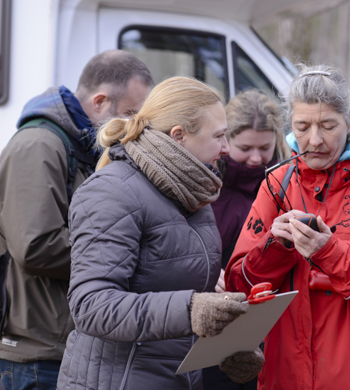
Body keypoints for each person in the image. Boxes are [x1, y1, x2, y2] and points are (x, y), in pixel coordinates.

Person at [56, 76, 265, 390]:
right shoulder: (112, 191)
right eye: (219, 136)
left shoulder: (193, 190)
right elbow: (92, 305)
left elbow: (180, 295)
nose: (225, 148)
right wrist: (192, 310)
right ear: (179, 136)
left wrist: (230, 345)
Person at [225, 65, 350, 390]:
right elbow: (239, 286)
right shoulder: (277, 183)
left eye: (328, 126)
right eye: (302, 127)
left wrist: (328, 251)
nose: (314, 140)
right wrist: (276, 247)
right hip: (286, 377)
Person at [0, 50, 153, 390]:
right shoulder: (38, 145)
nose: (135, 126)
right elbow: (35, 246)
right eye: (130, 113)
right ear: (100, 101)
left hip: (68, 347)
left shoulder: (82, 147)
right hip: (38, 356)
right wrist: (125, 252)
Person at [204, 89, 289, 389]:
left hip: (267, 320)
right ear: (226, 141)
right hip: (213, 317)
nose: (256, 158)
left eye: (264, 148)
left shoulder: (285, 183)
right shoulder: (206, 184)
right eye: (245, 148)